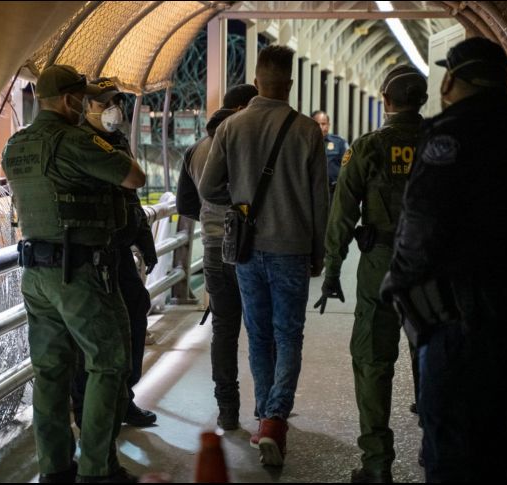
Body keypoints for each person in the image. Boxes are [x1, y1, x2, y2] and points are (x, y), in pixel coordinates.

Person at [380, 37, 507, 482]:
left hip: (459, 320)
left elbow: (421, 222)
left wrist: (398, 285)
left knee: (450, 449)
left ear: (451, 79)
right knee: (491, 445)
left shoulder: (449, 136)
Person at [1, 65, 145, 483]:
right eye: (82, 98)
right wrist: (108, 140)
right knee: (108, 362)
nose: (86, 104)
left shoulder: (17, 146)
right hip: (79, 271)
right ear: (69, 101)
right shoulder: (76, 141)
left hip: (35, 275)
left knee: (50, 371)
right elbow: (135, 177)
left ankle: (56, 469)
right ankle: (98, 470)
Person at [199, 45, 328, 467]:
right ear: (290, 83)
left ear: (256, 81)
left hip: (246, 250)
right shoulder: (308, 130)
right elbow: (319, 199)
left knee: (257, 334)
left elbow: (207, 189)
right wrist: (318, 250)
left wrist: (240, 203)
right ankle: (275, 418)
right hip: (291, 247)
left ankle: (263, 417)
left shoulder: (232, 127)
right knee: (288, 334)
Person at [314, 65, 428, 483]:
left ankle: (377, 465)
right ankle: (434, 452)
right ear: (423, 100)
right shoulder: (442, 144)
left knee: (373, 361)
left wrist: (331, 272)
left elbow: (342, 215)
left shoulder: (368, 147)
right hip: (431, 269)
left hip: (380, 265)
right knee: (431, 354)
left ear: (386, 101)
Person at [71, 77, 159, 429]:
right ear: (84, 106)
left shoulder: (116, 139)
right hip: (89, 251)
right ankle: (84, 405)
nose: (113, 108)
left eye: (115, 101)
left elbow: (130, 198)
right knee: (89, 334)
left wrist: (145, 240)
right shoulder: (77, 142)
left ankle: (125, 397)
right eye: (103, 102)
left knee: (136, 310)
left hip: (118, 249)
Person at [176, 83, 258, 431]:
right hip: (253, 248)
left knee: (224, 329)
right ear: (242, 108)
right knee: (261, 328)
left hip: (212, 248)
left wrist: (212, 218)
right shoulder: (248, 145)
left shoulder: (195, 148)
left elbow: (185, 205)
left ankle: (227, 408)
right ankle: (268, 409)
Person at [311, 110, 348, 201]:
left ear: (328, 125)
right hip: (312, 192)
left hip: (333, 193)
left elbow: (347, 168)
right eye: (317, 124)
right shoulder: (305, 143)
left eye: (323, 124)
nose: (320, 127)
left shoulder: (339, 142)